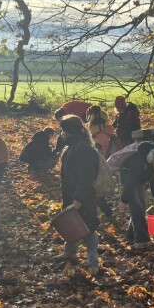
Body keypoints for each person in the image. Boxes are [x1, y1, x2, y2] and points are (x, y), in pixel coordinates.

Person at [53, 115, 102, 275]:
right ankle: (70, 251)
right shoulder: (73, 146)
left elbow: (86, 176)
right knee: (72, 223)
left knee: (89, 228)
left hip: (83, 196)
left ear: (69, 131)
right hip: (71, 193)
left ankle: (93, 262)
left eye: (63, 130)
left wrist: (79, 198)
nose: (61, 133)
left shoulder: (82, 148)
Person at [117, 141, 154, 245]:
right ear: (153, 159)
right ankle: (142, 240)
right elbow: (130, 182)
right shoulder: (139, 161)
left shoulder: (153, 165)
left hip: (139, 182)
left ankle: (131, 235)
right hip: (128, 181)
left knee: (142, 207)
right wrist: (123, 201)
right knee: (136, 208)